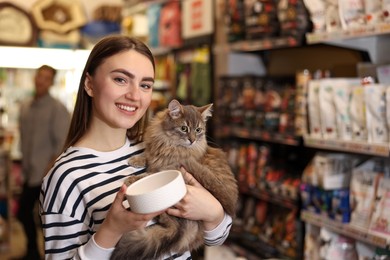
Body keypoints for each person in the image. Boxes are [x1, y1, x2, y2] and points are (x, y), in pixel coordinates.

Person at [39, 35, 233, 259]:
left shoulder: (158, 149)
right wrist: (111, 229)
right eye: (121, 79)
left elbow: (216, 238)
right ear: (90, 84)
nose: (134, 96)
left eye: (145, 85)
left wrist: (213, 213)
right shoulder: (66, 176)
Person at [18, 65, 71, 260]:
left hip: (46, 175)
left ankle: (42, 253)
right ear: (35, 77)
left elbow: (62, 144)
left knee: (42, 218)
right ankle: (33, 251)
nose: (41, 80)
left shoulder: (57, 109)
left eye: (47, 78)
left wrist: (49, 172)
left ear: (51, 83)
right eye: (40, 76)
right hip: (28, 172)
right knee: (26, 215)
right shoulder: (26, 106)